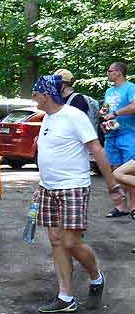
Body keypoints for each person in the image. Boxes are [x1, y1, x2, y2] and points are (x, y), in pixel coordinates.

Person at [30, 75, 118, 313]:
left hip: (73, 187)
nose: (33, 98)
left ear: (46, 95)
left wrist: (112, 185)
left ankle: (96, 275)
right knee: (56, 241)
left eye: (35, 94)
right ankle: (65, 297)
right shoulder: (48, 117)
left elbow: (96, 149)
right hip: (48, 188)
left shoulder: (73, 116)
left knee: (71, 242)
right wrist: (42, 183)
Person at [100, 61, 135, 218]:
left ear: (119, 72)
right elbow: (106, 108)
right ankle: (121, 207)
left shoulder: (130, 88)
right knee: (113, 172)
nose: (108, 73)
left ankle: (133, 207)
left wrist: (115, 114)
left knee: (130, 172)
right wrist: (104, 115)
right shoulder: (109, 90)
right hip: (111, 135)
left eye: (110, 70)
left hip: (128, 134)